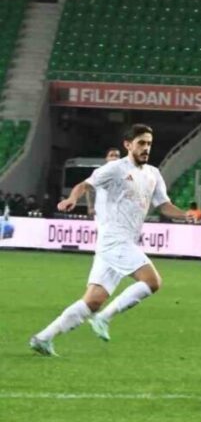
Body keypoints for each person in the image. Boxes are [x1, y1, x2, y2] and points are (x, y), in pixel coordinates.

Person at [29, 124, 191, 356]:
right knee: (152, 282)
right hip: (114, 240)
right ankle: (104, 318)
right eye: (141, 143)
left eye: (149, 144)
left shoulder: (153, 174)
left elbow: (163, 205)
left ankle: (43, 338)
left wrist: (185, 214)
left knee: (93, 300)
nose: (146, 148)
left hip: (121, 244)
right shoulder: (115, 169)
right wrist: (72, 199)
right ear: (128, 145)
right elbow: (85, 185)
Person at [83, 147, 120, 218]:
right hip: (102, 212)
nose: (114, 158)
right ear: (107, 158)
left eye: (117, 156)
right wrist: (90, 207)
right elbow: (89, 188)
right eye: (111, 155)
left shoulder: (125, 173)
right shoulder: (98, 172)